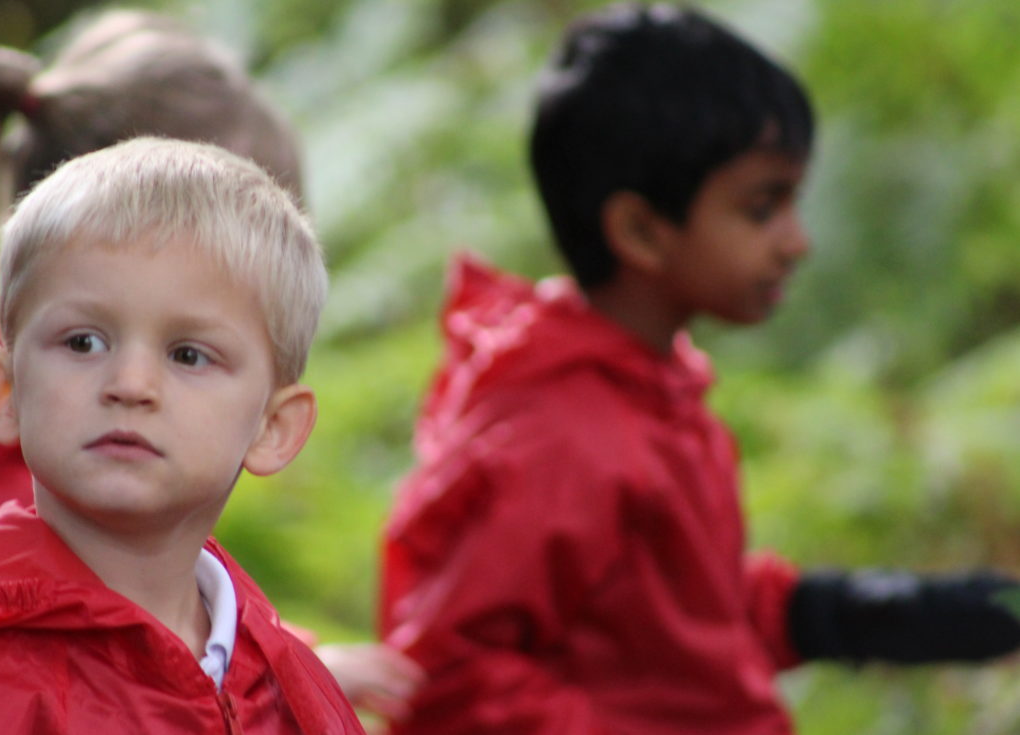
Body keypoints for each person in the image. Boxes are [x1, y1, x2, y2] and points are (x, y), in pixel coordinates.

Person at [378, 4, 1020, 734]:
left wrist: (847, 614)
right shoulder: (557, 435)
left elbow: (664, 621)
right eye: (761, 207)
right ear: (641, 230)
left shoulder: (651, 388)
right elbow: (449, 676)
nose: (797, 241)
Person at [0, 9, 419, 729]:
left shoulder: (278, 676)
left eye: (188, 354)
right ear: (3, 389)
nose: (131, 383)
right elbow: (54, 630)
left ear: (275, 425)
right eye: (86, 342)